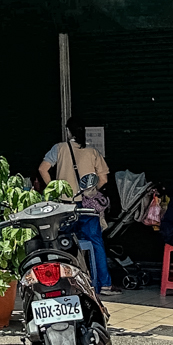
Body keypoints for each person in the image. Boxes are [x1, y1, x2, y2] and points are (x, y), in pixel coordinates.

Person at [38, 119, 114, 294]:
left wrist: (54, 189)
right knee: (96, 243)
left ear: (68, 131)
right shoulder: (93, 152)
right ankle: (105, 285)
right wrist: (91, 191)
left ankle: (66, 284)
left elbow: (43, 169)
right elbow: (103, 179)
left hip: (65, 206)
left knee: (62, 242)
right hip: (87, 206)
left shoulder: (59, 148)